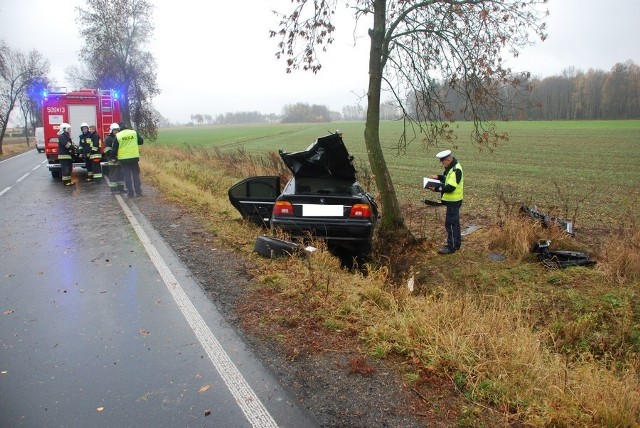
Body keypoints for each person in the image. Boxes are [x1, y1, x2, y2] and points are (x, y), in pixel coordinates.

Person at [429, 149, 464, 254]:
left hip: (453, 201)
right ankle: (456, 244)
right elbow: (447, 178)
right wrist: (439, 177)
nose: (443, 165)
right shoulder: (451, 168)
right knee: (455, 223)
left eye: (444, 162)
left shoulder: (455, 170)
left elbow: (451, 187)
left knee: (451, 224)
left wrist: (437, 189)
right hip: (453, 201)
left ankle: (451, 247)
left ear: (449, 159)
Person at [115, 122, 144, 197]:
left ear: (119, 128)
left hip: (124, 159)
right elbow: (141, 141)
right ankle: (138, 192)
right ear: (126, 126)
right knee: (135, 175)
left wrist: (112, 156)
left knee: (127, 176)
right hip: (134, 158)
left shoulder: (118, 135)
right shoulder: (134, 132)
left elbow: (114, 148)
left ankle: (130, 193)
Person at [104, 123, 125, 194]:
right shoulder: (108, 139)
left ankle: (121, 189)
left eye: (117, 130)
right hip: (112, 159)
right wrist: (112, 157)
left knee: (121, 174)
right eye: (114, 130)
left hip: (120, 159)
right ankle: (114, 190)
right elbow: (107, 150)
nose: (116, 132)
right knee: (114, 174)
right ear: (111, 130)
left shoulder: (120, 137)